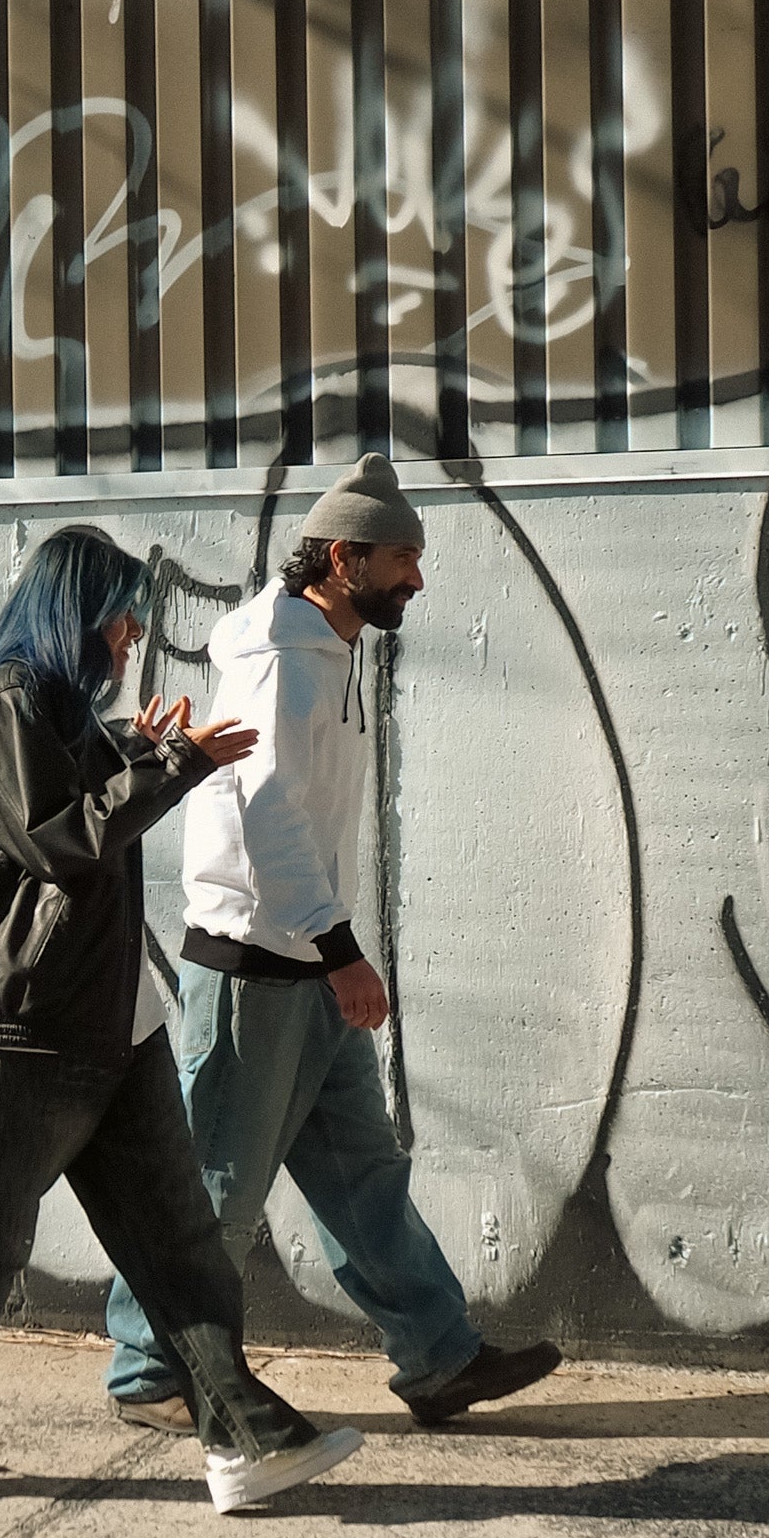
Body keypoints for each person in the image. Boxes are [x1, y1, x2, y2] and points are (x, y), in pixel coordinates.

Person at [0, 524, 364, 1514]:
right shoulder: (8, 704)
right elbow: (61, 837)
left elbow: (84, 793)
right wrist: (174, 764)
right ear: (75, 613)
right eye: (122, 612)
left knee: (178, 1241)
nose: (135, 631)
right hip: (30, 1019)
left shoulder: (58, 710)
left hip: (109, 1018)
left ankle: (243, 1438)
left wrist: (147, 747)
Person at [104, 456, 562, 1433]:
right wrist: (343, 948)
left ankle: (440, 1358)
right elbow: (269, 818)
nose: (418, 579)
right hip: (257, 962)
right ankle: (148, 1367)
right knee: (219, 1178)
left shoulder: (325, 643)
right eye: (403, 558)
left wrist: (331, 951)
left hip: (305, 960)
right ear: (344, 556)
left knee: (362, 1172)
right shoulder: (278, 655)